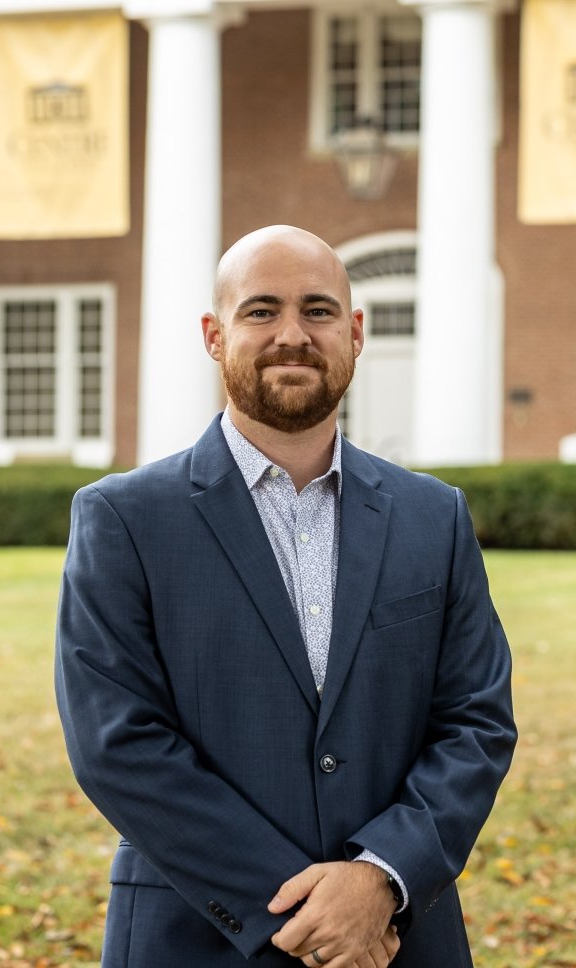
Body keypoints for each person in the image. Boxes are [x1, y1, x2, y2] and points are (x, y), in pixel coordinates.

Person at [55, 225, 516, 968]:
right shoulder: (124, 519)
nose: (292, 335)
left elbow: (476, 722)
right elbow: (117, 742)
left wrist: (378, 879)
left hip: (398, 935)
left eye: (319, 311)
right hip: (197, 938)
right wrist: (313, 909)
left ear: (356, 333)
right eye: (261, 311)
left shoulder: (434, 517)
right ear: (214, 334)